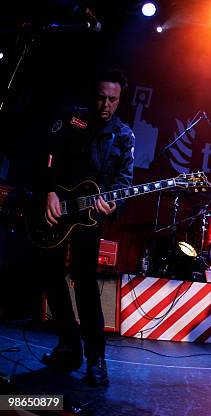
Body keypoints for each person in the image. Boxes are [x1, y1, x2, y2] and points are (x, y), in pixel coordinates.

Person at [40, 69, 135, 386]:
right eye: (100, 97)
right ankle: (68, 346)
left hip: (88, 216)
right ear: (91, 94)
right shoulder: (71, 118)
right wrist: (49, 191)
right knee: (50, 275)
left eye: (113, 99)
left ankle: (96, 357)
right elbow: (47, 155)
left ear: (120, 99)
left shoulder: (123, 136)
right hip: (55, 208)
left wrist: (113, 205)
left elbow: (124, 181)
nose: (105, 105)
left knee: (85, 281)